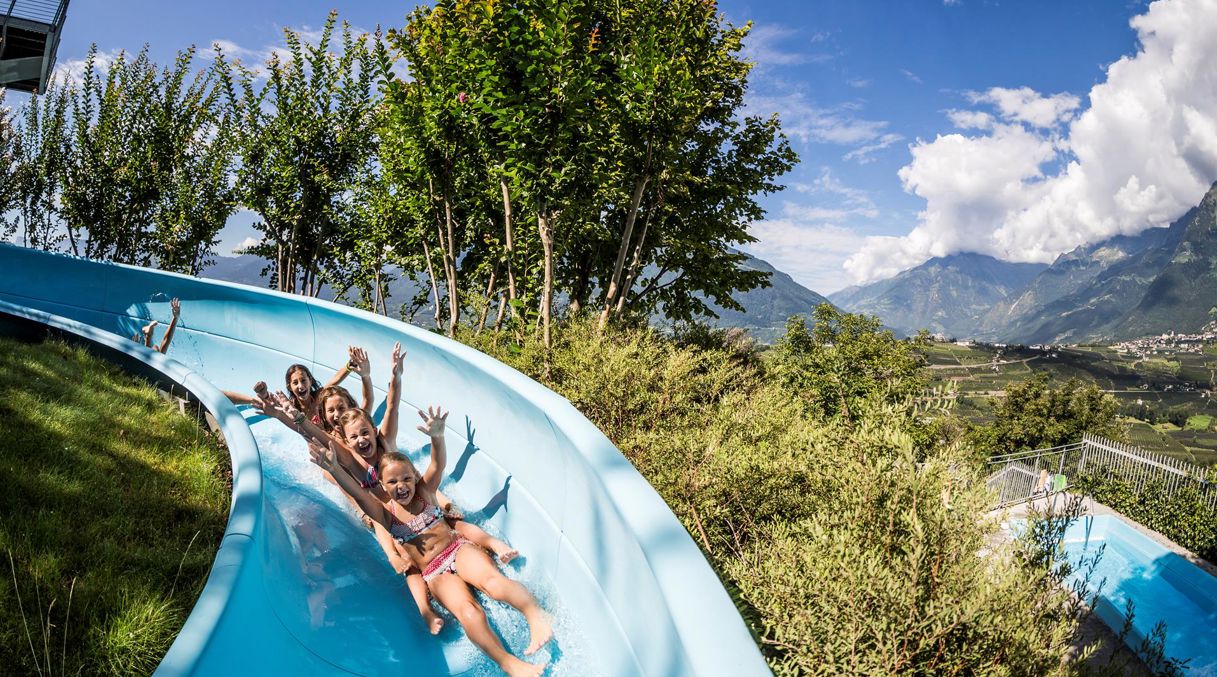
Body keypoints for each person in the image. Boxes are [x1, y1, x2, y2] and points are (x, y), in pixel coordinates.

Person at [310, 408, 551, 677]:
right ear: (381, 485)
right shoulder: (384, 513)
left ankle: (534, 613)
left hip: (457, 550)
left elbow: (437, 464)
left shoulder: (425, 492)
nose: (401, 485)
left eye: (405, 478)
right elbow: (358, 492)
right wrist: (334, 468)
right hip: (433, 572)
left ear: (415, 477)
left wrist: (438, 437)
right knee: (468, 613)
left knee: (493, 582)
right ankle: (509, 664)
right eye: (392, 481)